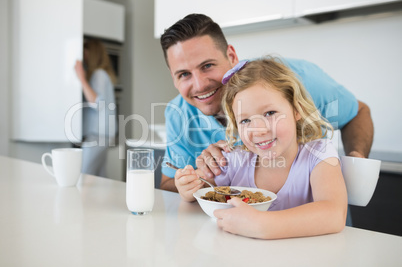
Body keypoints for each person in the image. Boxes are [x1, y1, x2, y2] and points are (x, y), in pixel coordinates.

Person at [159, 13, 373, 192]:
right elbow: (169, 185)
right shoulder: (178, 112)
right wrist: (199, 178)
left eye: (207, 66)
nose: (199, 85)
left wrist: (357, 160)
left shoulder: (293, 81)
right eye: (184, 74)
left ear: (231, 56)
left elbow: (358, 112)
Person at [175, 57, 347, 239]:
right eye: (245, 120)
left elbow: (334, 214)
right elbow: (203, 188)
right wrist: (189, 188)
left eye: (270, 113)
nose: (259, 129)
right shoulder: (235, 160)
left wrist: (263, 225)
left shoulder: (318, 154)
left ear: (297, 109)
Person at [74, 39, 117, 177]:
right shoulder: (102, 75)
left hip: (98, 135)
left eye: (85, 53)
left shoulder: (99, 75)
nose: (83, 57)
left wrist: (81, 78)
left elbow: (97, 103)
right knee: (99, 177)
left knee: (84, 175)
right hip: (103, 134)